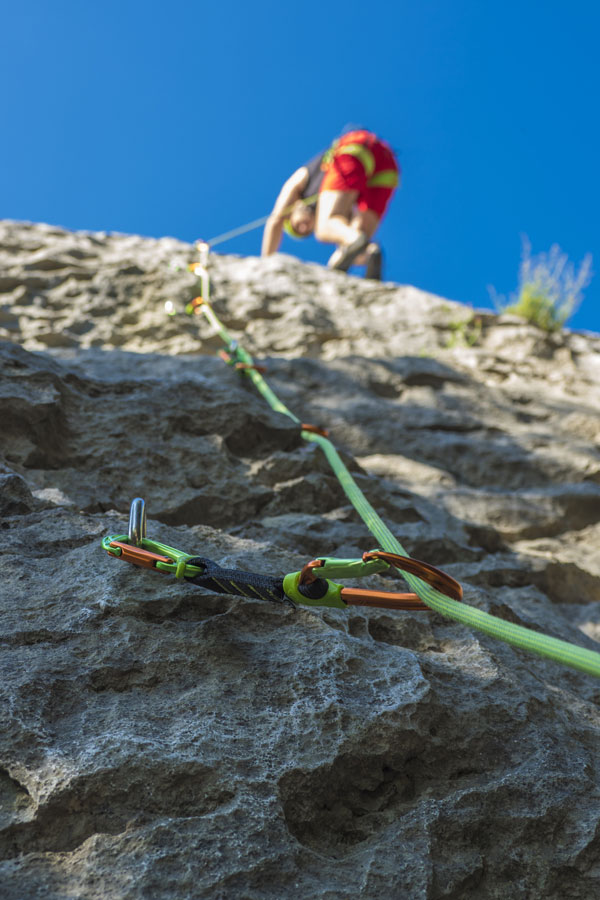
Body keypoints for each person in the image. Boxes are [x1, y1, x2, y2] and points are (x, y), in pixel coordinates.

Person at [261, 129, 400, 279]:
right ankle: (371, 252)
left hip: (354, 148)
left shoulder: (302, 181)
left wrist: (264, 268)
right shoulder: (340, 206)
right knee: (356, 247)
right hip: (386, 165)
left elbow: (275, 220)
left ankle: (357, 242)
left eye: (297, 226)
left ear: (291, 213)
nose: (304, 228)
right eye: (306, 232)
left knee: (325, 228)